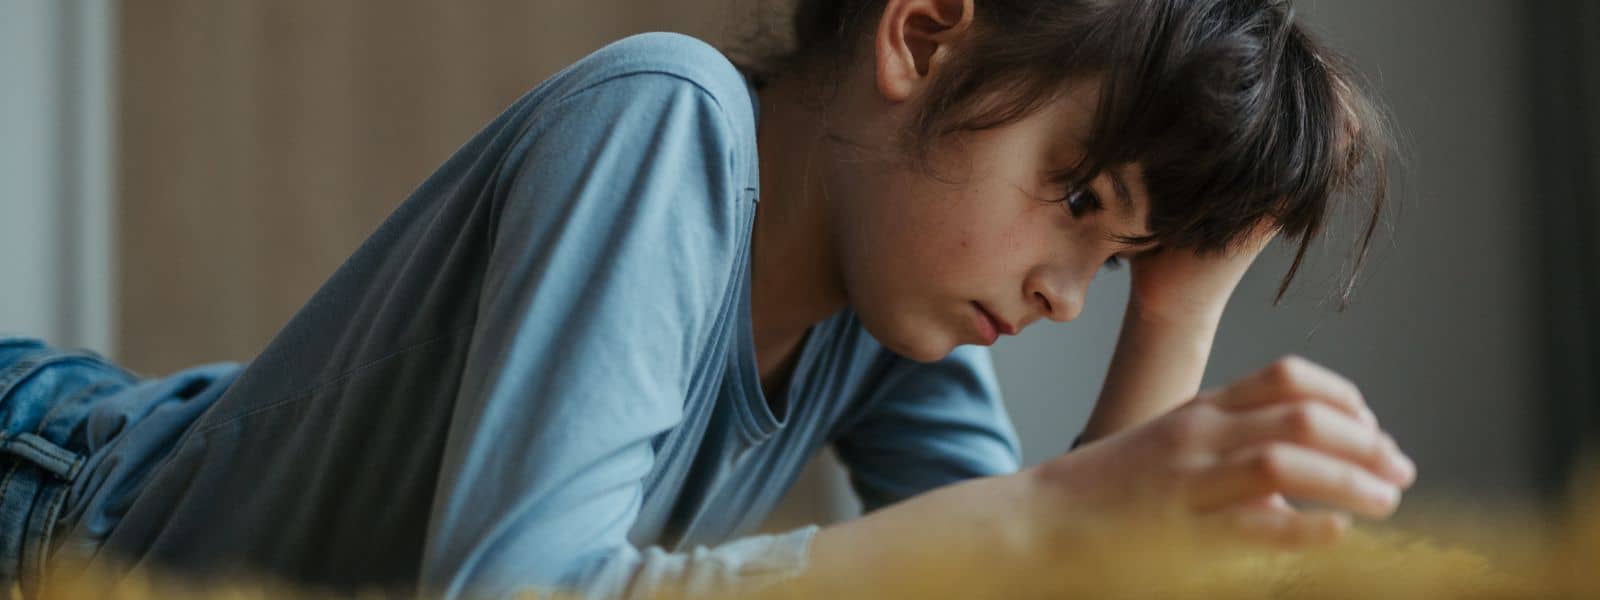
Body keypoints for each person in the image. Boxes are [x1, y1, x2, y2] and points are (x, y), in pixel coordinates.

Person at [0, 0, 1416, 597]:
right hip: (55, 497)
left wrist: (1179, 317)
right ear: (921, 37)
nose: (1066, 295)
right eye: (1077, 200)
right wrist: (1058, 509)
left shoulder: (901, 315)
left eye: (1117, 266)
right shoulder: (667, 119)